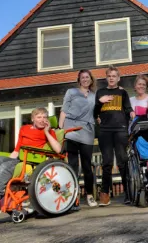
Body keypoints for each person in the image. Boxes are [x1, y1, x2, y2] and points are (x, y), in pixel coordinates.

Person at [0, 108, 62, 214]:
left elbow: (58, 149)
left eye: (44, 117)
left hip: (32, 161)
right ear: (33, 119)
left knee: (5, 167)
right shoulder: (24, 129)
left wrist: (47, 132)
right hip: (20, 158)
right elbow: (17, 149)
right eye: (39, 117)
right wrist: (9, 159)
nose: (42, 120)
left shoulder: (50, 131)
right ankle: (1, 194)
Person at [94, 65, 135, 206]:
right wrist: (100, 102)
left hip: (120, 130)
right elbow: (95, 113)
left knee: (122, 161)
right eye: (109, 76)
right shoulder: (100, 92)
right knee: (107, 163)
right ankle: (105, 194)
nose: (111, 78)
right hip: (104, 131)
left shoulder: (123, 93)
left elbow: (128, 108)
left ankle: (128, 193)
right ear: (106, 78)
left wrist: (131, 113)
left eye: (114, 76)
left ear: (118, 78)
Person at [59, 69, 98, 209]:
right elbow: (64, 110)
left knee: (87, 166)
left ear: (91, 80)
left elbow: (97, 111)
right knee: (73, 165)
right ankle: (72, 197)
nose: (85, 79)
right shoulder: (71, 92)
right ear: (79, 80)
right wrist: (61, 129)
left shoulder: (95, 95)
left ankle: (89, 195)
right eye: (82, 77)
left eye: (87, 77)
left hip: (87, 131)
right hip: (71, 130)